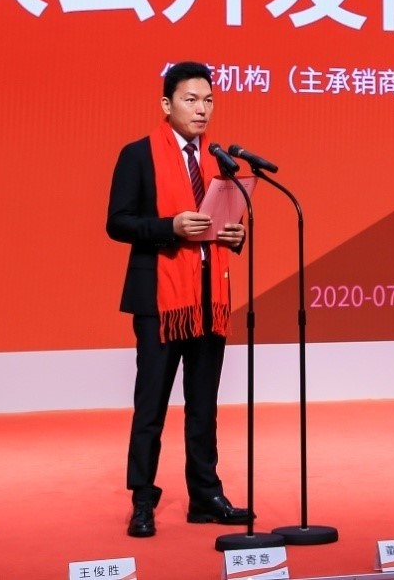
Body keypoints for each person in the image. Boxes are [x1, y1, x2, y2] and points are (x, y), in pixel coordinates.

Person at [106, 61, 252, 537]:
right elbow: (117, 222)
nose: (201, 109)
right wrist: (169, 227)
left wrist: (234, 235)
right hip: (159, 301)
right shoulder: (138, 155)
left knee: (203, 406)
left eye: (208, 100)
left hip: (209, 298)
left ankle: (205, 496)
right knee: (151, 406)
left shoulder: (220, 161)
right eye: (191, 100)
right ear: (167, 105)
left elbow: (224, 218)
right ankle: (142, 500)